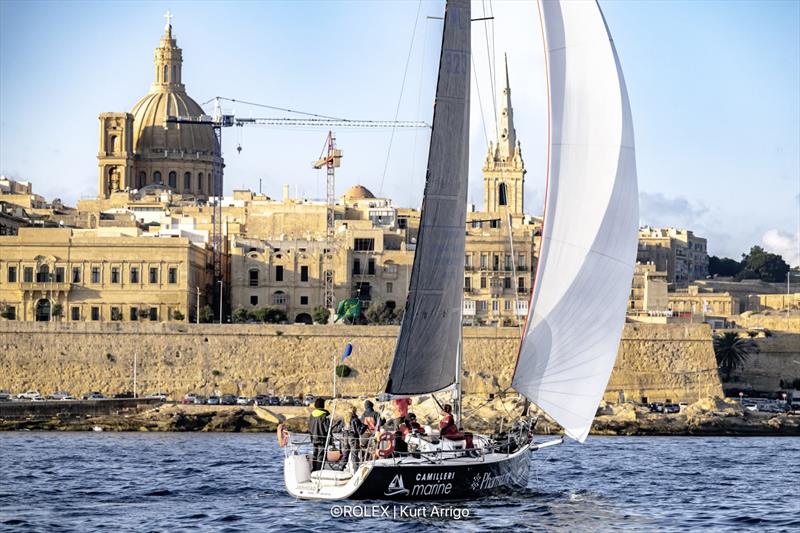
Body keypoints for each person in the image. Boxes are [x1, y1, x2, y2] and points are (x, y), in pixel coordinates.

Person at [309, 397, 330, 471]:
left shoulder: (312, 415)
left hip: (313, 438)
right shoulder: (325, 415)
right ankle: (318, 471)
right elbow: (327, 428)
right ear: (323, 405)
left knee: (315, 454)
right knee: (321, 455)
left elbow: (310, 426)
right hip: (322, 438)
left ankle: (314, 469)